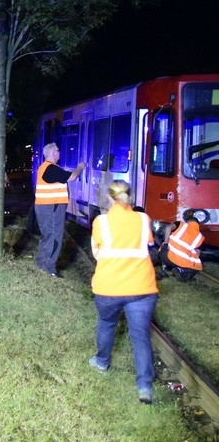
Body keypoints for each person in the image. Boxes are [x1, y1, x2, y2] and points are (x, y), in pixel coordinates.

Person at [88, 180, 158, 404]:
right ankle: (144, 386)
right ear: (130, 196)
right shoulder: (143, 219)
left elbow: (97, 252)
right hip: (142, 288)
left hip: (109, 287)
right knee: (140, 336)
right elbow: (147, 245)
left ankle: (102, 361)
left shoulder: (101, 222)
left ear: (110, 198)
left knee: (107, 323)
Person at [34, 142, 84, 277]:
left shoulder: (45, 167)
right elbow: (72, 177)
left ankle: (41, 262)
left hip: (46, 206)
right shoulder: (51, 168)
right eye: (58, 151)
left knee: (47, 235)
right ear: (52, 153)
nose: (59, 153)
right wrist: (80, 167)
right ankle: (49, 267)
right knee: (55, 236)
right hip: (52, 206)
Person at [161, 209, 204, 282]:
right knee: (195, 268)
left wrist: (165, 243)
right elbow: (197, 255)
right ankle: (180, 271)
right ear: (197, 225)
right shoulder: (200, 237)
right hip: (182, 263)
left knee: (163, 246)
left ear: (187, 221)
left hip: (166, 257)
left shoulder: (180, 224)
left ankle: (164, 268)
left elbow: (168, 228)